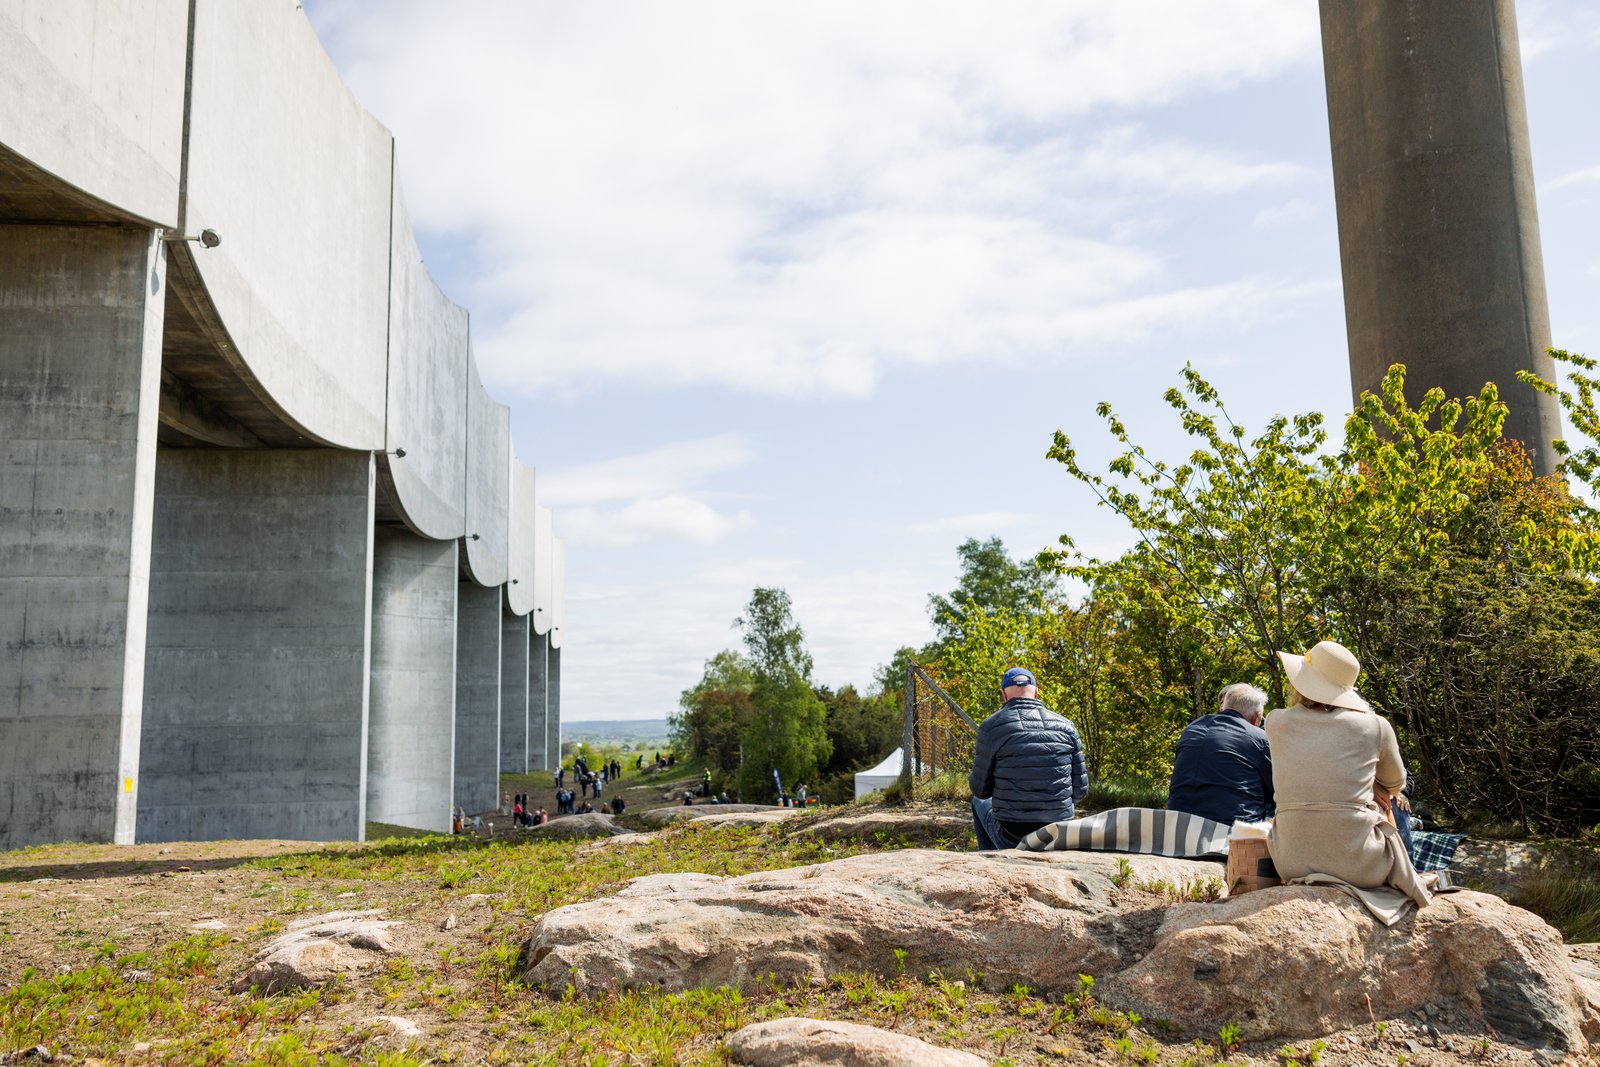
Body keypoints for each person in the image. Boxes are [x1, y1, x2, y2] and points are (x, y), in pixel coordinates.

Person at [1266, 640, 1430, 907]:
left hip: (1290, 860)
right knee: (1389, 808)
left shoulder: (1275, 721)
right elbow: (1396, 783)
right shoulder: (1375, 726)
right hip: (1359, 864)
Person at [969, 667, 1088, 851]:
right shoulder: (1067, 726)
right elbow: (1080, 792)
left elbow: (980, 790)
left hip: (1012, 836)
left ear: (1003, 695)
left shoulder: (991, 726)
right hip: (1059, 835)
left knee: (978, 801)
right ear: (1037, 692)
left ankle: (991, 860)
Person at [1166, 683, 1275, 826]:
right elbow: (1276, 789)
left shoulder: (1191, 729)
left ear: (1224, 707)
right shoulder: (1260, 738)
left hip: (1181, 824)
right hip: (1232, 829)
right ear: (1257, 717)